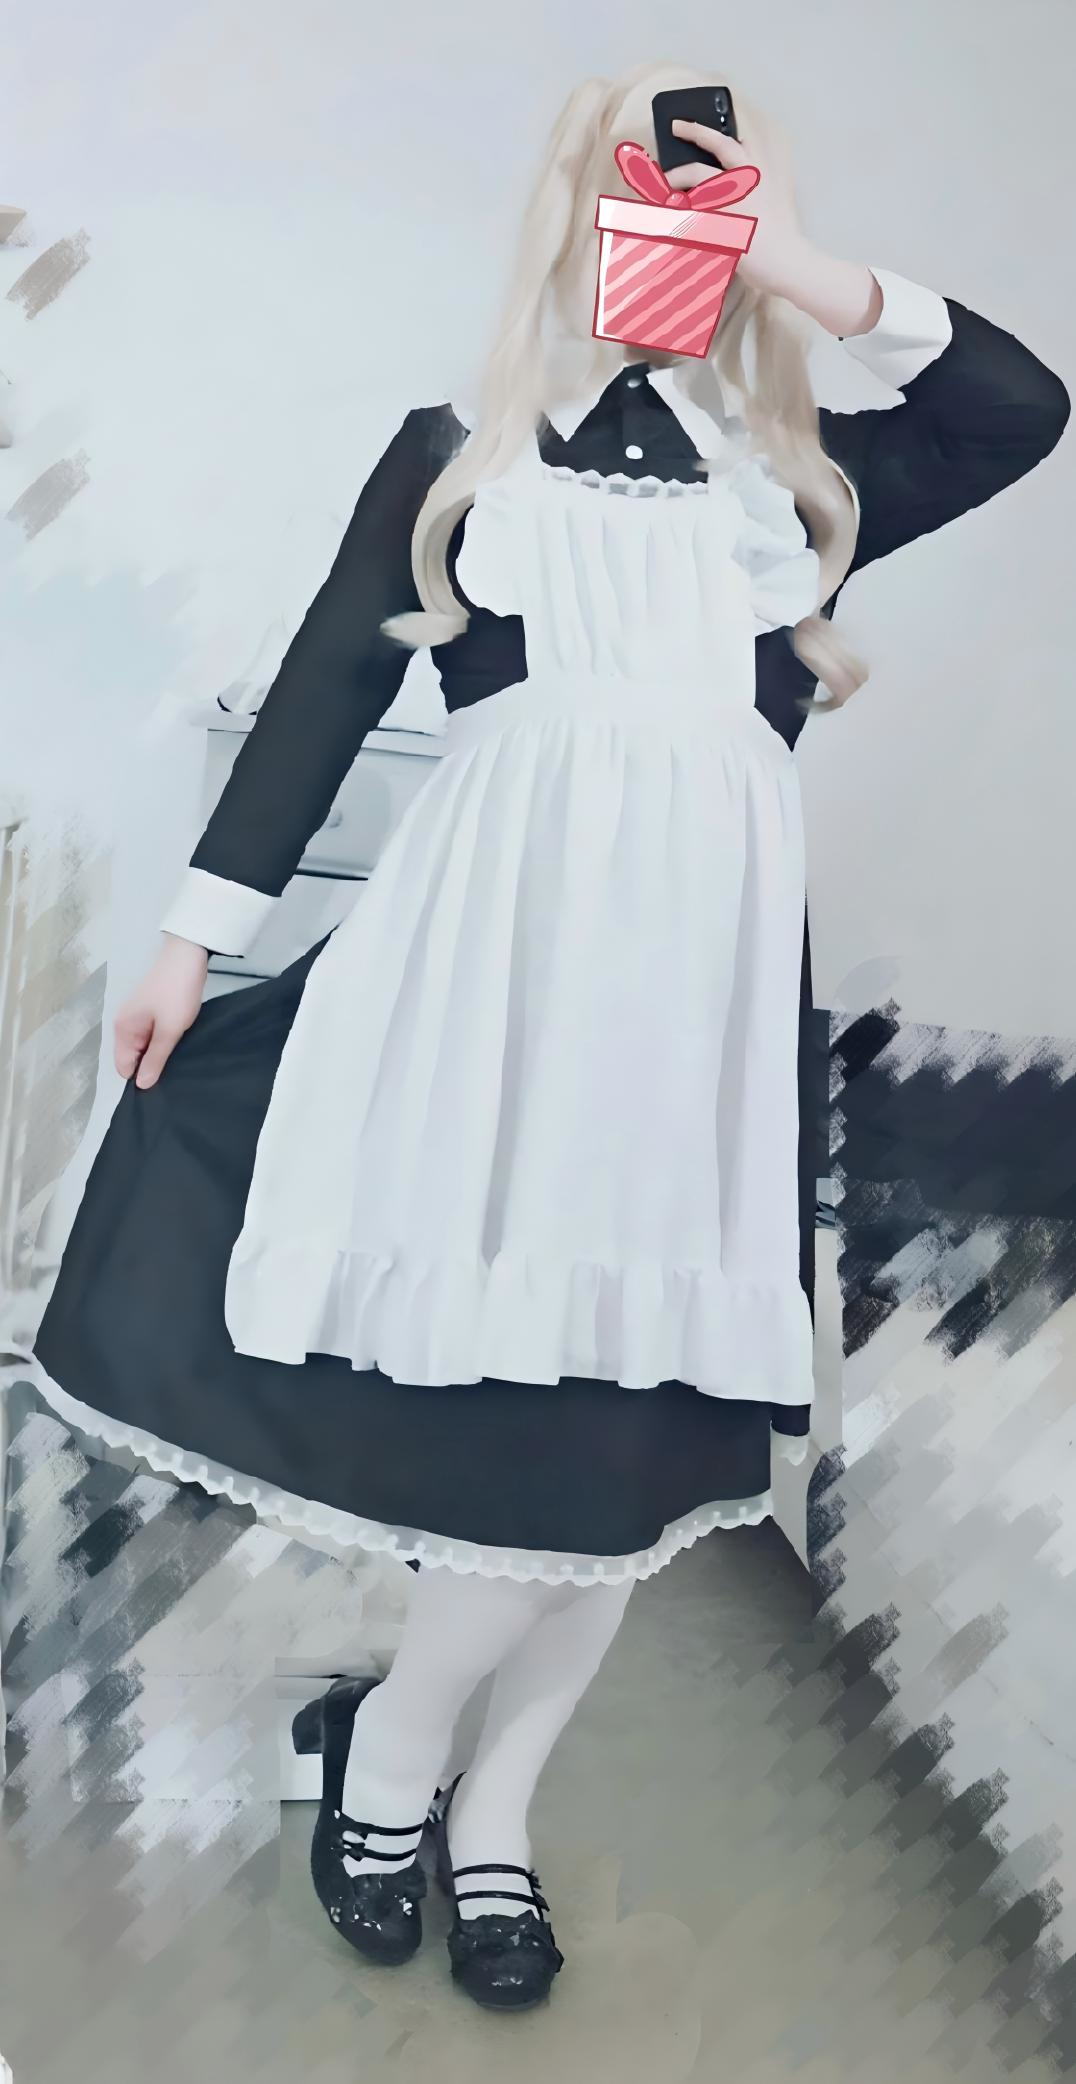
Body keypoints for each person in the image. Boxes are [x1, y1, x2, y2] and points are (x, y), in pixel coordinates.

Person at [32, 61, 1069, 2014]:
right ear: (571, 222)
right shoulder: (458, 462)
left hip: (694, 1027)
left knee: (626, 1445)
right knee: (507, 1434)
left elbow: (1019, 407)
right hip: (486, 1004)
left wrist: (806, 266)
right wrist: (190, 941)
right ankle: (403, 1768)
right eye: (633, 198)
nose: (663, 235)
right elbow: (323, 699)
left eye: (703, 209)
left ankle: (459, 1791)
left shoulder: (796, 494)